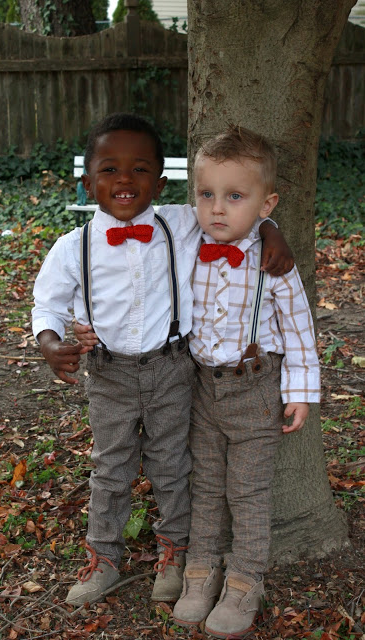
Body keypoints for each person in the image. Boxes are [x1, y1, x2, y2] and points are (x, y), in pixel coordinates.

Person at [32, 113, 293, 608]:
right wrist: (48, 341)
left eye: (140, 169)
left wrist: (271, 229)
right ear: (88, 181)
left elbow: (236, 210)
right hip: (108, 373)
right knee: (110, 467)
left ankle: (174, 553)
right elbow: (47, 303)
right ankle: (104, 558)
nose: (125, 180)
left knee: (172, 464)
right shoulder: (73, 247)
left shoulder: (181, 222)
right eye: (109, 169)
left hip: (173, 369)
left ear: (162, 179)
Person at [170, 125, 320, 638]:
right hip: (201, 389)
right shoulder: (190, 243)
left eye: (235, 197)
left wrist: (301, 391)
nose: (217, 209)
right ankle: (200, 572)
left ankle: (245, 580)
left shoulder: (274, 261)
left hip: (256, 390)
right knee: (205, 485)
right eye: (206, 195)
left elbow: (299, 326)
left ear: (265, 202)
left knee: (248, 493)